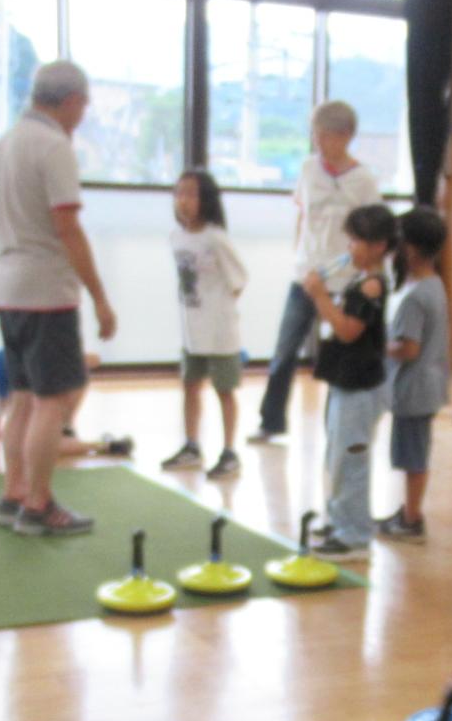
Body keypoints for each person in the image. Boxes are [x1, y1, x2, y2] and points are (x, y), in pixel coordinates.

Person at [0, 60, 118, 537]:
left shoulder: (6, 143)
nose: (83, 114)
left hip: (8, 284)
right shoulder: (53, 146)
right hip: (45, 290)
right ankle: (39, 505)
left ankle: (14, 492)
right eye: (83, 104)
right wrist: (100, 296)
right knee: (52, 401)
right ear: (70, 101)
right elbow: (67, 227)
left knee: (22, 397)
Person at [252, 101, 382, 445]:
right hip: (306, 276)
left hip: (344, 279)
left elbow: (374, 230)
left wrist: (370, 272)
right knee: (284, 352)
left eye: (326, 135)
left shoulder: (364, 179)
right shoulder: (309, 169)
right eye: (316, 135)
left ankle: (335, 428)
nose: (320, 142)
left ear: (346, 136)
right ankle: (271, 422)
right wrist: (300, 256)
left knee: (339, 355)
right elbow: (302, 215)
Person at [305, 205, 396, 561]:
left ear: (378, 246)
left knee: (350, 458)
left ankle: (354, 535)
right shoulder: (361, 280)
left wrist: (319, 295)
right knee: (338, 455)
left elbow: (347, 330)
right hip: (346, 383)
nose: (351, 246)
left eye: (357, 239)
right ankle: (341, 520)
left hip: (360, 387)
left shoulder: (372, 285)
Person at [159, 169, 246, 480]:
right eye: (178, 193)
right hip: (191, 331)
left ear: (206, 199)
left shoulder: (216, 238)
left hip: (220, 332)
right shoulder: (176, 237)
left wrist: (217, 311)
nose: (183, 201)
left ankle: (229, 451)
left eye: (191, 194)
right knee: (190, 386)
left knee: (224, 389)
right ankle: (191, 446)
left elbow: (239, 281)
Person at [376, 206, 451, 542]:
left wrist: (379, 346)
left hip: (414, 389)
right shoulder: (435, 285)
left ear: (412, 248)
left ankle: (411, 519)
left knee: (413, 457)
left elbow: (409, 349)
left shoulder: (416, 296)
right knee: (413, 452)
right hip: (429, 385)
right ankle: (408, 512)